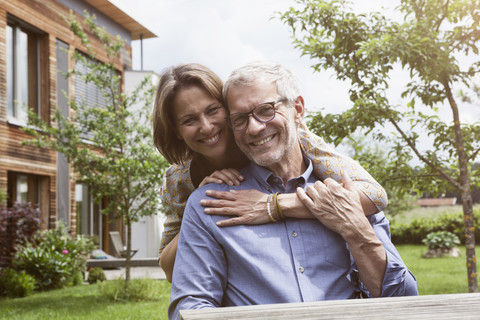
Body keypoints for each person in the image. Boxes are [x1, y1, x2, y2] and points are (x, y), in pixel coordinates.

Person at [168, 61, 418, 320]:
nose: (254, 127)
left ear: (297, 109)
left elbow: (405, 302)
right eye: (240, 119)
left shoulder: (347, 193)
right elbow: (189, 310)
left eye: (266, 110)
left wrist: (356, 231)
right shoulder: (211, 203)